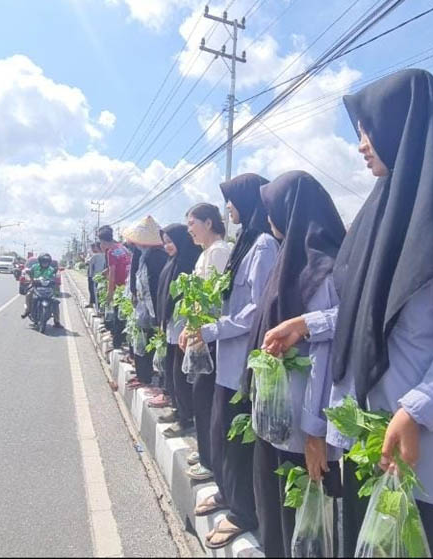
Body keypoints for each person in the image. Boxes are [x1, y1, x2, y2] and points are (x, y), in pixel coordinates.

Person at [261, 69, 433, 558]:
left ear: (406, 126)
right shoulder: (381, 214)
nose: (361, 144)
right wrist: (307, 324)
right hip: (372, 439)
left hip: (428, 454)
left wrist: (419, 407)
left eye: (369, 128)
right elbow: (369, 315)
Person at [250, 170, 346, 557]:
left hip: (304, 428)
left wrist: (313, 431)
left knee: (308, 530)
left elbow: (326, 356)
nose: (268, 218)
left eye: (272, 208)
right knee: (286, 521)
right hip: (281, 418)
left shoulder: (322, 268)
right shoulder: (291, 259)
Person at [189, 174, 280, 550]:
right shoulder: (244, 243)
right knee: (220, 432)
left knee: (238, 441)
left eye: (231, 200)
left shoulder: (262, 246)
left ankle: (243, 512)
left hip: (242, 361)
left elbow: (257, 310)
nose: (228, 208)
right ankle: (227, 494)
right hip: (226, 359)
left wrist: (211, 329)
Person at [177, 203, 231, 480]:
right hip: (202, 335)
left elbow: (220, 301)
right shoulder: (205, 254)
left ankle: (211, 460)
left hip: (212, 338)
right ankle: (206, 449)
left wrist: (198, 327)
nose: (189, 231)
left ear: (209, 223)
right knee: (201, 397)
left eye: (192, 224)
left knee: (205, 398)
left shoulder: (220, 252)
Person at [151, 225, 201, 425]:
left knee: (182, 374)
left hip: (185, 326)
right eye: (164, 243)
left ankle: (186, 416)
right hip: (171, 325)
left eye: (170, 242)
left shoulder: (189, 262)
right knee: (172, 372)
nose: (167, 247)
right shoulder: (172, 262)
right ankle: (177, 408)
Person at [123, 216, 169, 391]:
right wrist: (134, 294)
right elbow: (136, 277)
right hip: (143, 306)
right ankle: (142, 375)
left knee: (149, 340)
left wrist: (156, 311)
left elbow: (154, 284)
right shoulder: (141, 254)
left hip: (153, 307)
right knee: (141, 339)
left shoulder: (156, 256)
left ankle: (147, 376)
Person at [98, 226, 132, 349]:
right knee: (124, 316)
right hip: (128, 285)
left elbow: (112, 275)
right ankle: (118, 338)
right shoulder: (122, 248)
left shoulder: (111, 252)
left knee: (118, 316)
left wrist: (109, 293)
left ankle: (116, 343)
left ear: (102, 241)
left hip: (120, 287)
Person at [21, 253, 61, 328]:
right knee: (29, 293)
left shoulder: (51, 269)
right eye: (43, 261)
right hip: (36, 286)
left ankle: (57, 321)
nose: (45, 263)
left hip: (48, 288)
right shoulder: (35, 267)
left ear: (49, 262)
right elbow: (28, 272)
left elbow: (54, 277)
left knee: (55, 302)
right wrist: (28, 276)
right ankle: (27, 310)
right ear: (40, 261)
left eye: (47, 261)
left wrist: (55, 282)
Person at [86, 243, 106, 308]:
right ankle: (97, 306)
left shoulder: (95, 256)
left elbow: (91, 267)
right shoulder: (106, 255)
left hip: (94, 277)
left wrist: (90, 276)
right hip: (103, 276)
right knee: (101, 291)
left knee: (93, 291)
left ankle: (95, 306)